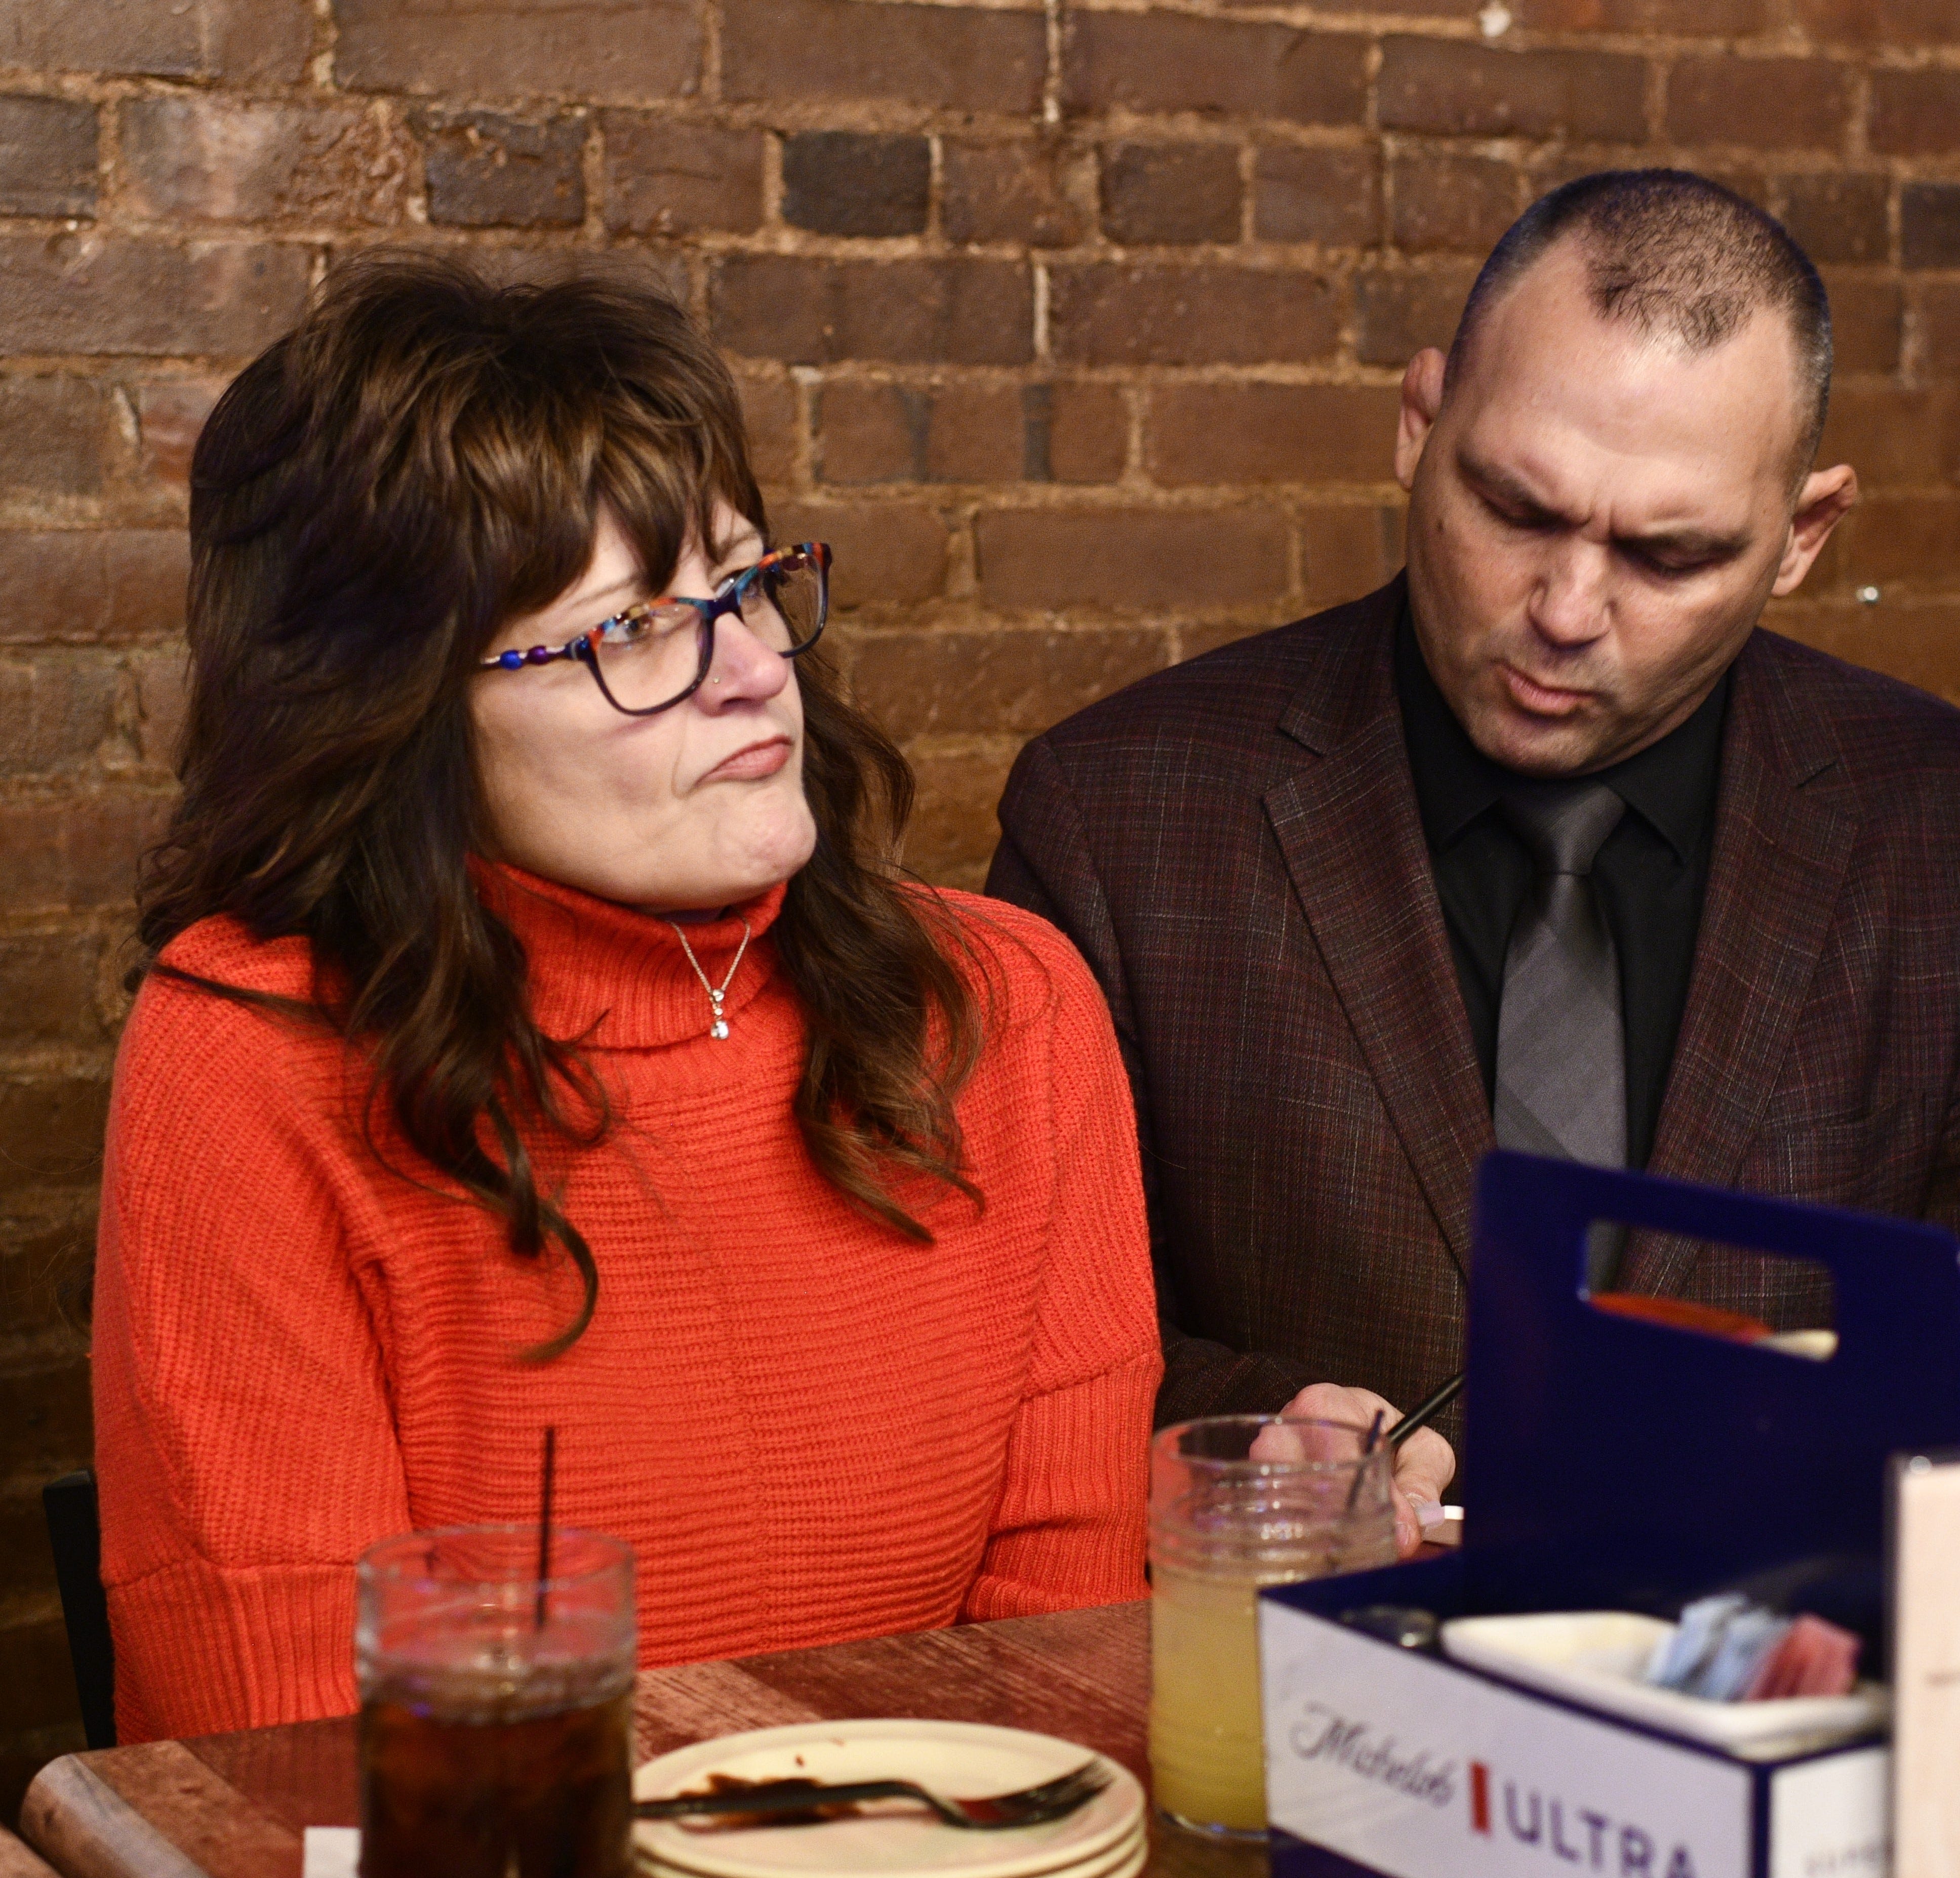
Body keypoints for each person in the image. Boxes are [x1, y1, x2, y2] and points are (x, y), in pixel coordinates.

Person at [93, 255, 1162, 1743]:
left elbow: (1061, 1673)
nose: (751, 673)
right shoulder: (253, 1056)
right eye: (630, 633)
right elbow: (299, 1749)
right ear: (406, 720)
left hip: (958, 1872)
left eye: (743, 583)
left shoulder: (1004, 1002)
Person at [992, 169, 1960, 1515]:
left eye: (1669, 556)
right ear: (1420, 426)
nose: (1568, 612)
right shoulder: (1120, 815)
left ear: (1801, 536)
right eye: (1518, 511)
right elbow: (1021, 1342)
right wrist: (1271, 1436)